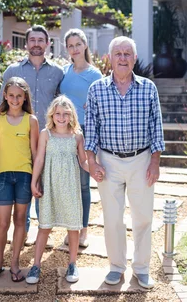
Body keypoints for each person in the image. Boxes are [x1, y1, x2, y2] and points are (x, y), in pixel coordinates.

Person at [84, 36, 165, 289]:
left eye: (127, 54)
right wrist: (91, 162)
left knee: (142, 217)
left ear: (135, 58)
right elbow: (91, 130)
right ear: (109, 58)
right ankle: (116, 267)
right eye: (117, 53)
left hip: (141, 160)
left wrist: (154, 162)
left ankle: (141, 269)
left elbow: (156, 127)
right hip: (108, 161)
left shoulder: (148, 88)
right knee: (113, 218)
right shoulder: (96, 89)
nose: (122, 58)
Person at [0, 24, 63, 235]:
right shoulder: (12, 71)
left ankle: (43, 231)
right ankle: (23, 232)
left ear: (47, 43)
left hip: (48, 138)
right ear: (26, 43)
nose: (36, 44)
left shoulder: (58, 72)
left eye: (40, 40)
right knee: (23, 185)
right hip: (19, 140)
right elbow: (2, 104)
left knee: (44, 184)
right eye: (32, 40)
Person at [25, 95, 88, 285]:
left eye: (66, 114)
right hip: (50, 186)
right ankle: (36, 265)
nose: (61, 117)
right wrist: (34, 181)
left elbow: (83, 160)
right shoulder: (46, 134)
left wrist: (97, 169)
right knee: (44, 225)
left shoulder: (77, 135)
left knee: (73, 226)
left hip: (70, 186)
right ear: (52, 115)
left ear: (71, 116)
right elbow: (40, 159)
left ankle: (72, 263)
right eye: (58, 113)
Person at [0, 77, 39, 283]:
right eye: (11, 95)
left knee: (20, 220)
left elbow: (35, 152)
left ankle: (14, 263)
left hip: (25, 175)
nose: (15, 99)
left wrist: (37, 178)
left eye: (19, 96)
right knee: (3, 222)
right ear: (5, 96)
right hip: (4, 175)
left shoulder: (31, 120)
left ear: (25, 98)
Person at [59, 29, 102, 247]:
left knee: (83, 184)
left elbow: (101, 104)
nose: (74, 49)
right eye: (70, 45)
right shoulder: (64, 71)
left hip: (84, 131)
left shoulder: (94, 75)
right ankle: (72, 227)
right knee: (68, 183)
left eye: (78, 44)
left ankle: (83, 231)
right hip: (64, 131)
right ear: (67, 49)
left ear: (85, 45)